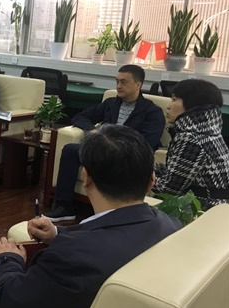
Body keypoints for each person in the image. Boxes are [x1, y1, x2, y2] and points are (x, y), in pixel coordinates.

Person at [0, 125, 181, 308]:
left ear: (86, 177)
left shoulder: (74, 257)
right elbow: (111, 241)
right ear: (151, 181)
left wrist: (7, 259)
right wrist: (56, 235)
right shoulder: (170, 226)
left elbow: (12, 307)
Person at [45, 64, 165, 222]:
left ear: (138, 84)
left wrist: (119, 145)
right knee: (70, 150)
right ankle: (65, 206)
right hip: (102, 150)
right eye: (117, 81)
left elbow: (147, 142)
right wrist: (92, 131)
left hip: (126, 156)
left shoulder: (152, 111)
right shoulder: (110, 104)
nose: (118, 86)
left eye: (123, 82)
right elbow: (81, 116)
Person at [152, 79, 229, 209]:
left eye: (174, 99)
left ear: (192, 104)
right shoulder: (207, 131)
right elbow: (176, 174)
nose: (168, 106)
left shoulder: (191, 138)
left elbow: (168, 190)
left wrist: (139, 176)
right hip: (218, 208)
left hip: (203, 210)